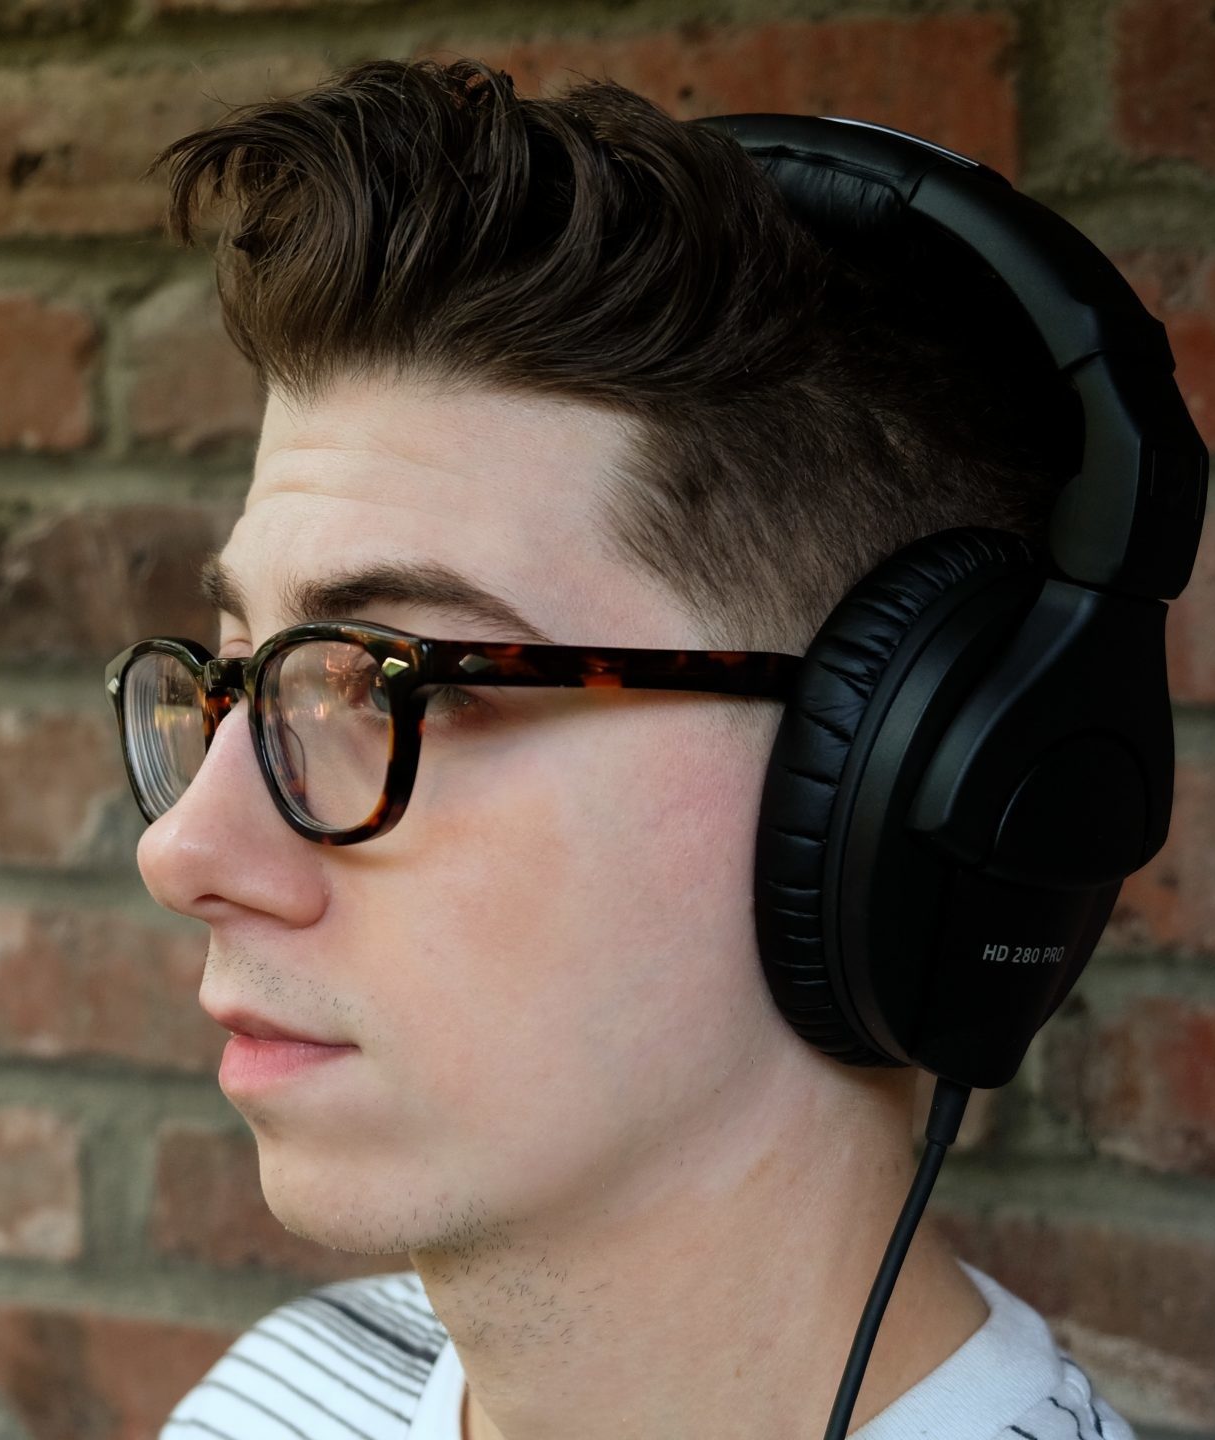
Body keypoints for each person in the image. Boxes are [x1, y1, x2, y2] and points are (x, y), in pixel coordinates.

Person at [129, 54, 1138, 1440]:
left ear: (889, 798)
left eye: (399, 683)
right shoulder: (282, 1397)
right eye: (247, 677)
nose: (185, 848)